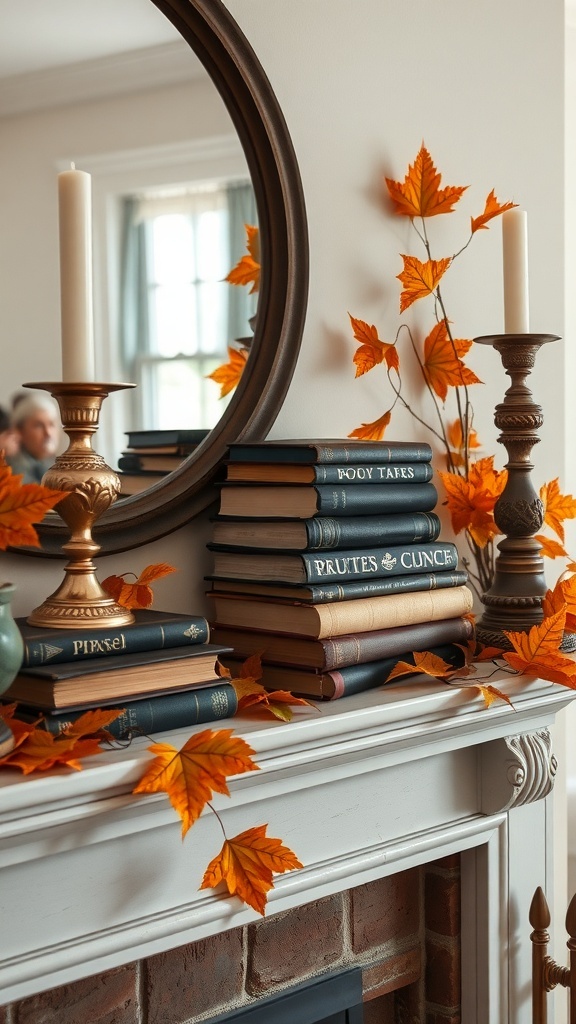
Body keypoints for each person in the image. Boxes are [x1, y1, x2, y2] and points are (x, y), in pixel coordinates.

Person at [6, 392, 62, 484]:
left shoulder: (57, 465)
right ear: (19, 431)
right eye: (38, 425)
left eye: (51, 424)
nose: (48, 433)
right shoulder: (11, 469)